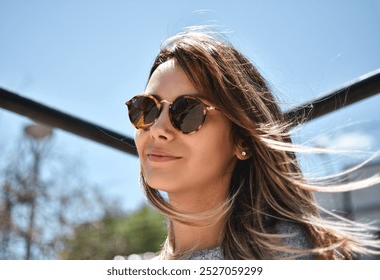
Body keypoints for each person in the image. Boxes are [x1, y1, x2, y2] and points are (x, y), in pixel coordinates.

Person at [125, 27, 380, 260]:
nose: (158, 129)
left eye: (188, 112)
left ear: (242, 139)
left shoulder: (292, 256)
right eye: (146, 109)